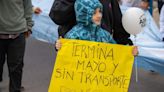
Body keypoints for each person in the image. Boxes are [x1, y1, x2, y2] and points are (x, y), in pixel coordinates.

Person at [55, 0, 138, 56]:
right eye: (94, 13)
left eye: (100, 12)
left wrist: (128, 51)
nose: (99, 15)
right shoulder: (75, 34)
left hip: (100, 70)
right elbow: (58, 15)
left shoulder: (105, 36)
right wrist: (60, 45)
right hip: (78, 72)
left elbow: (118, 22)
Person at [0, 0, 33, 92]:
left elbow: (28, 6)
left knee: (16, 67)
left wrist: (29, 26)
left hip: (18, 32)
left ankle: (15, 88)